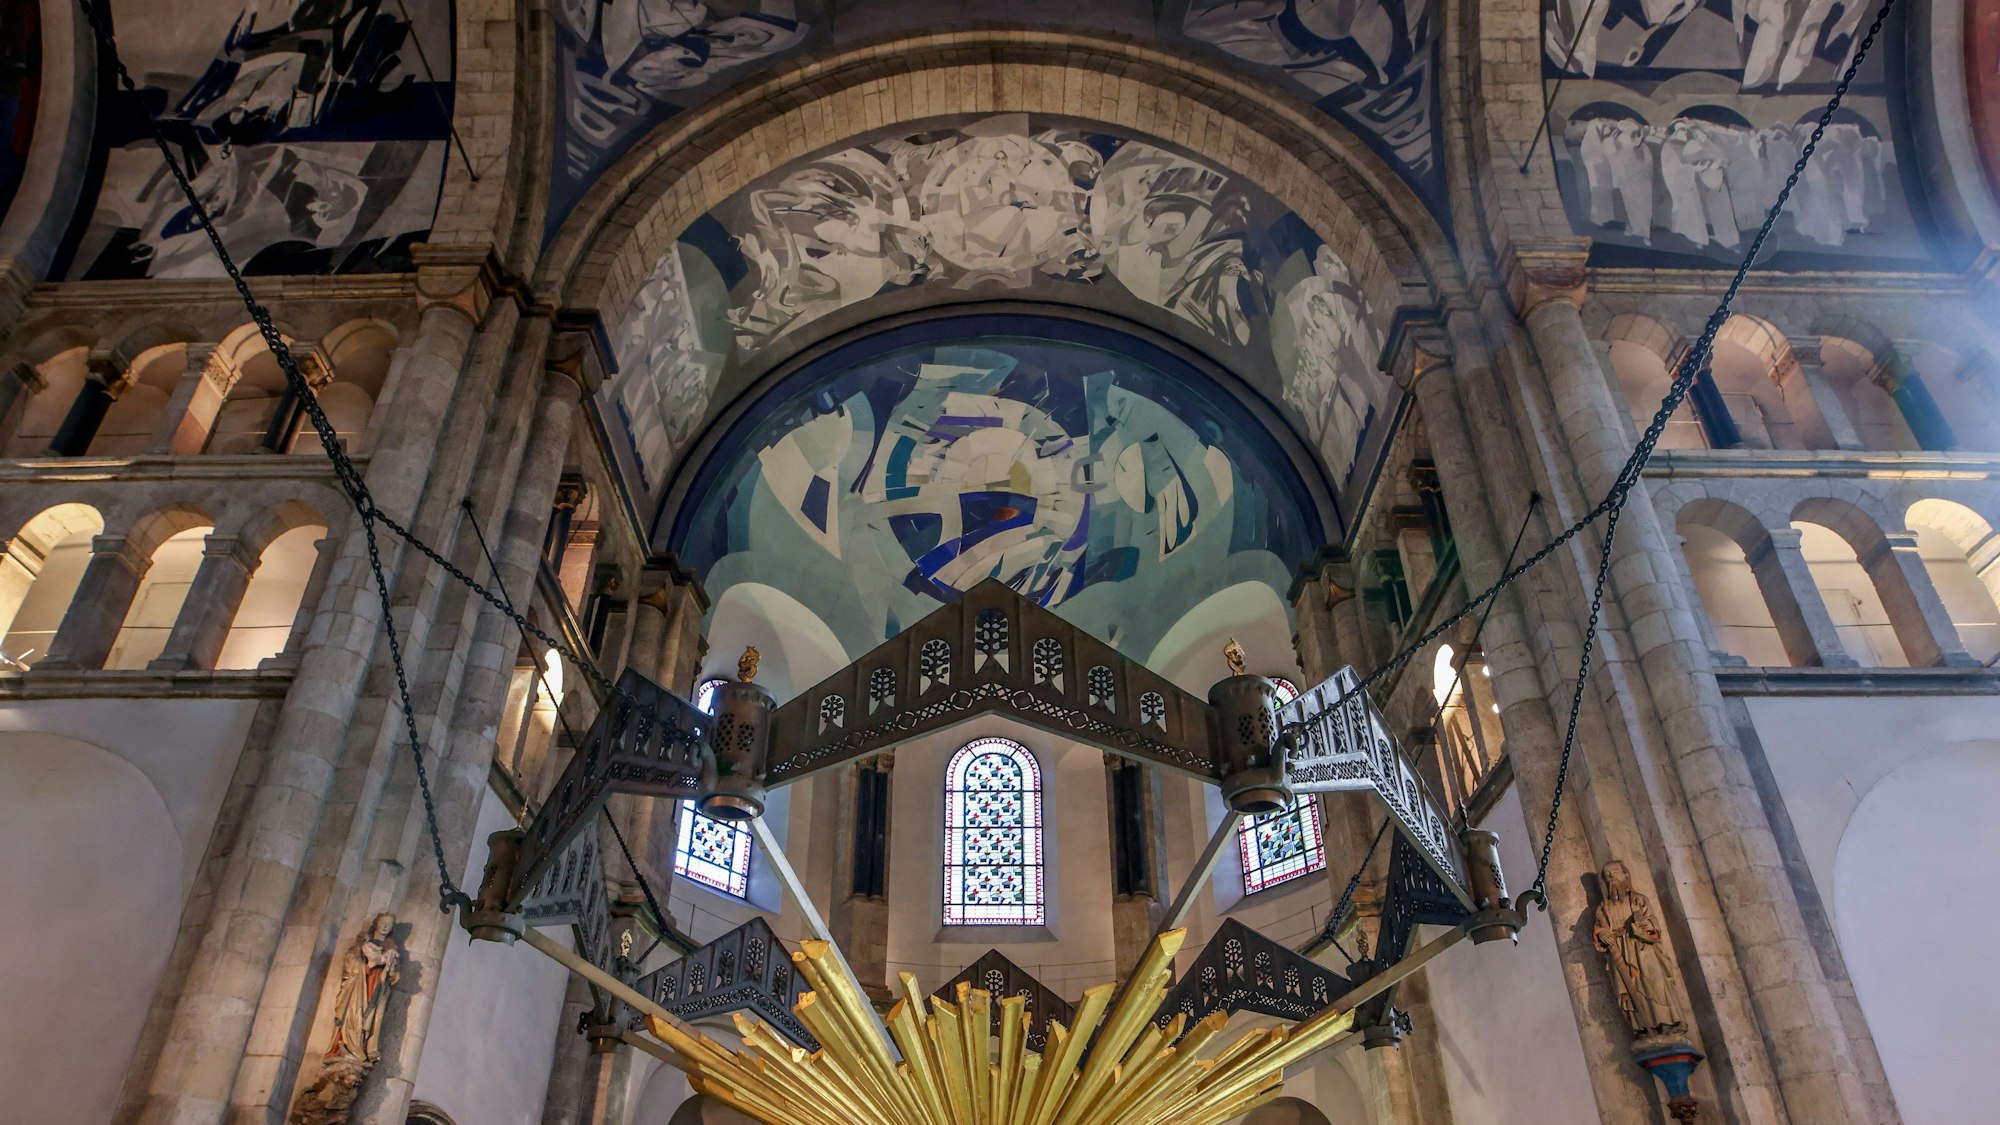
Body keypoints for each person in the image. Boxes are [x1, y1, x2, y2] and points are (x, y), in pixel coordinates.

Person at [1592, 861, 1684, 1036]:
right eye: (1607, 875)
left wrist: (1640, 922)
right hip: (1619, 952)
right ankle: (1642, 1028)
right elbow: (1600, 927)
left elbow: (1653, 926)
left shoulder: (1639, 900)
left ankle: (1666, 1024)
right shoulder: (1604, 907)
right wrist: (1602, 934)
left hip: (1642, 949)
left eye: (1615, 872)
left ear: (1626, 875)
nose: (1611, 877)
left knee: (1655, 982)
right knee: (1629, 991)